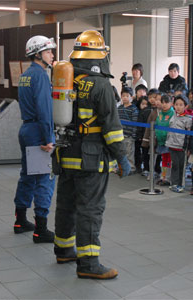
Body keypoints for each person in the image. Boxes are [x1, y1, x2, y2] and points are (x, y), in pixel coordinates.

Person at [53, 30, 130, 279]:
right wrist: (122, 157)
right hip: (91, 159)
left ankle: (64, 250)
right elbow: (112, 129)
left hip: (65, 154)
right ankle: (88, 264)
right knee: (90, 208)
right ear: (99, 55)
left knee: (66, 204)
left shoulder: (65, 79)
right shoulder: (101, 85)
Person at [13, 35, 57, 243]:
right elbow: (45, 109)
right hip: (39, 132)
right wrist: (49, 137)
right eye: (48, 51)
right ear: (38, 54)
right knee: (44, 179)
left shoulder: (26, 75)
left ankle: (20, 220)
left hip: (26, 129)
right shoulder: (40, 76)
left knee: (28, 176)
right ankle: (41, 229)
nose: (52, 54)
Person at [166, 95, 192, 193]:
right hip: (172, 145)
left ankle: (180, 184)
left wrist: (188, 147)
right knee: (175, 164)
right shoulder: (173, 115)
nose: (178, 107)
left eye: (181, 105)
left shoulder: (188, 119)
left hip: (182, 146)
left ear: (185, 106)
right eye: (176, 104)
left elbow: (189, 135)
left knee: (181, 165)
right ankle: (174, 183)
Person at [155, 95, 175, 186]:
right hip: (160, 141)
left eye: (166, 102)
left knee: (169, 159)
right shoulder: (160, 114)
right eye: (162, 102)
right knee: (163, 159)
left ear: (171, 103)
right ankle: (163, 177)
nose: (164, 105)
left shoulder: (172, 113)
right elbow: (157, 124)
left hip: (169, 141)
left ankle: (168, 178)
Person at [118, 87, 139, 173]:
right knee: (121, 152)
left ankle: (131, 168)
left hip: (129, 135)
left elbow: (135, 122)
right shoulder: (119, 108)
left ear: (131, 97)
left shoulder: (133, 108)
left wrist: (133, 134)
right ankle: (122, 168)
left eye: (127, 96)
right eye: (123, 96)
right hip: (120, 134)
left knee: (129, 153)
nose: (125, 97)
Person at [135, 96, 150, 175]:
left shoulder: (147, 112)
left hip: (146, 136)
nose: (144, 106)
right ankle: (143, 167)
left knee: (146, 153)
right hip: (141, 136)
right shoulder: (139, 112)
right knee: (142, 153)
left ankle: (146, 168)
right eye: (142, 104)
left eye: (146, 104)